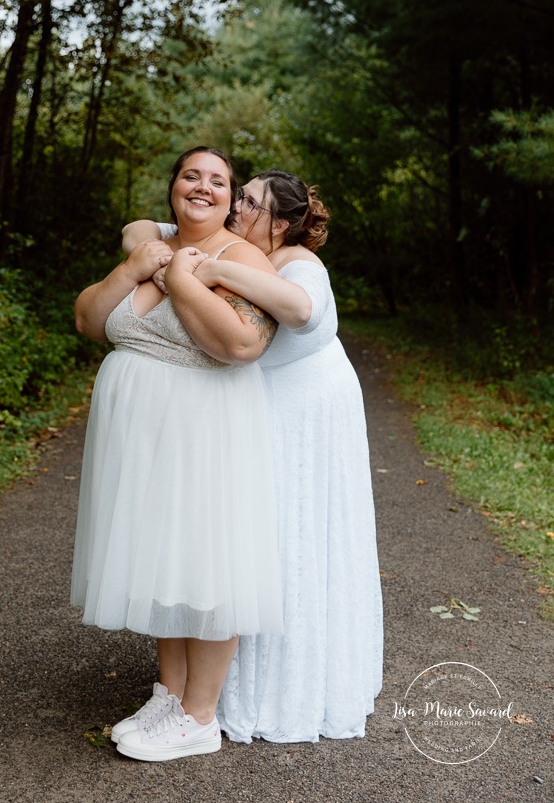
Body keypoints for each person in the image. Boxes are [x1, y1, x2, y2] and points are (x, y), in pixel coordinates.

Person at [122, 168, 383, 742]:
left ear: (281, 224)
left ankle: (258, 695)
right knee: (233, 540)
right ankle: (188, 693)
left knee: (289, 540)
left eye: (249, 201)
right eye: (237, 195)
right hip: (255, 408)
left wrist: (210, 269)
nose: (235, 205)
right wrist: (163, 251)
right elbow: (141, 227)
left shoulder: (297, 263)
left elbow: (301, 312)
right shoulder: (231, 237)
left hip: (305, 418)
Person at [71, 147, 284, 763]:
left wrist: (183, 279)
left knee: (209, 560)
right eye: (192, 175)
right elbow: (89, 320)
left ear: (231, 198)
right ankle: (170, 695)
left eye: (218, 181)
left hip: (204, 430)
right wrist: (139, 263)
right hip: (142, 440)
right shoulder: (150, 248)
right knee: (164, 558)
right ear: (172, 187)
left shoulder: (241, 257)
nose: (203, 186)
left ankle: (201, 716)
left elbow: (239, 343)